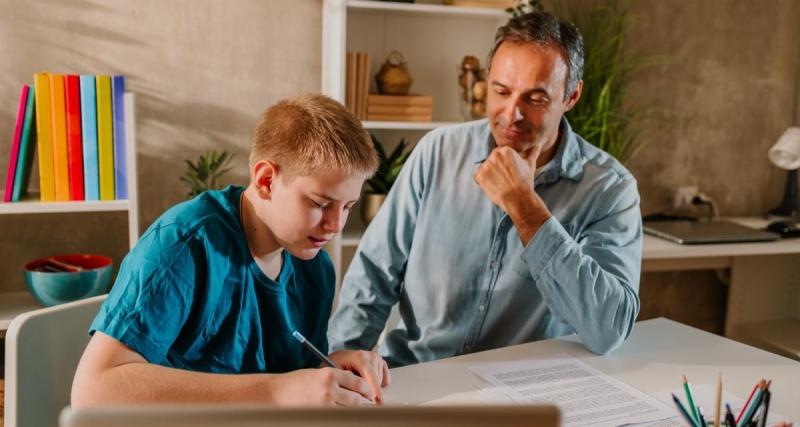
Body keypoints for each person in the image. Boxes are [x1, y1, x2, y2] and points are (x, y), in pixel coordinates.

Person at [328, 11, 642, 367]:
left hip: (521, 394)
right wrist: (342, 360)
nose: (512, 114)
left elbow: (609, 330)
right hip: (417, 377)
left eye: (535, 98)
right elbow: (374, 274)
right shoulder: (438, 152)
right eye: (502, 91)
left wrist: (526, 208)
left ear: (571, 96)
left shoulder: (609, 190)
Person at [71, 94, 390, 407]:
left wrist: (327, 371)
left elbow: (287, 380)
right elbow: (93, 390)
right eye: (320, 204)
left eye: (348, 206)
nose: (335, 225)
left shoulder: (315, 266)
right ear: (266, 181)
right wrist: (278, 392)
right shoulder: (184, 244)